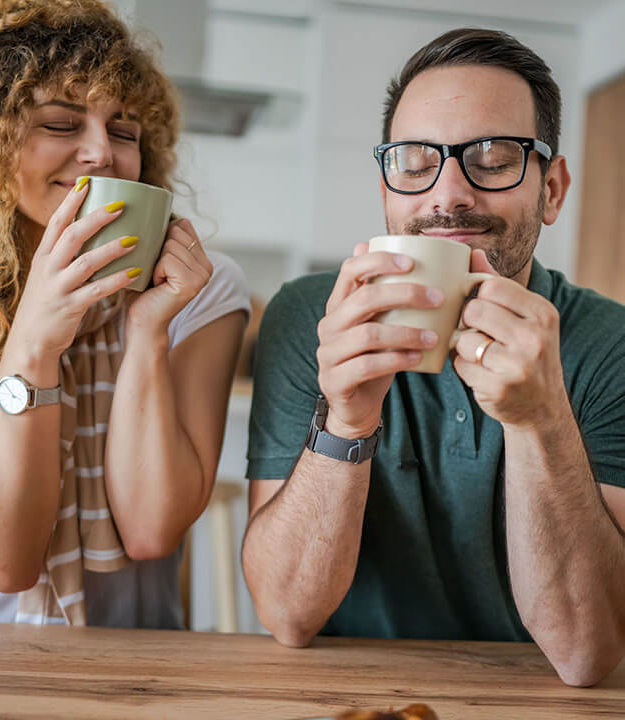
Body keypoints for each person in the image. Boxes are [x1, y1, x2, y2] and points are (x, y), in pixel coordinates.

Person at [242, 28, 625, 687]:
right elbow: (288, 615)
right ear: (387, 189)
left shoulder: (609, 345)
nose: (447, 195)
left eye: (494, 157)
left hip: (537, 697)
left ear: (553, 190)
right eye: (416, 163)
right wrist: (346, 421)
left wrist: (541, 422)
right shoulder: (311, 318)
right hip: (347, 694)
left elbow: (586, 653)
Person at [0, 0, 250, 628]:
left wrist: (146, 329)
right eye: (61, 124)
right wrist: (33, 345)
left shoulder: (204, 289)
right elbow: (3, 563)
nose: (101, 153)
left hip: (137, 672)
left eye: (123, 132)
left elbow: (150, 530)